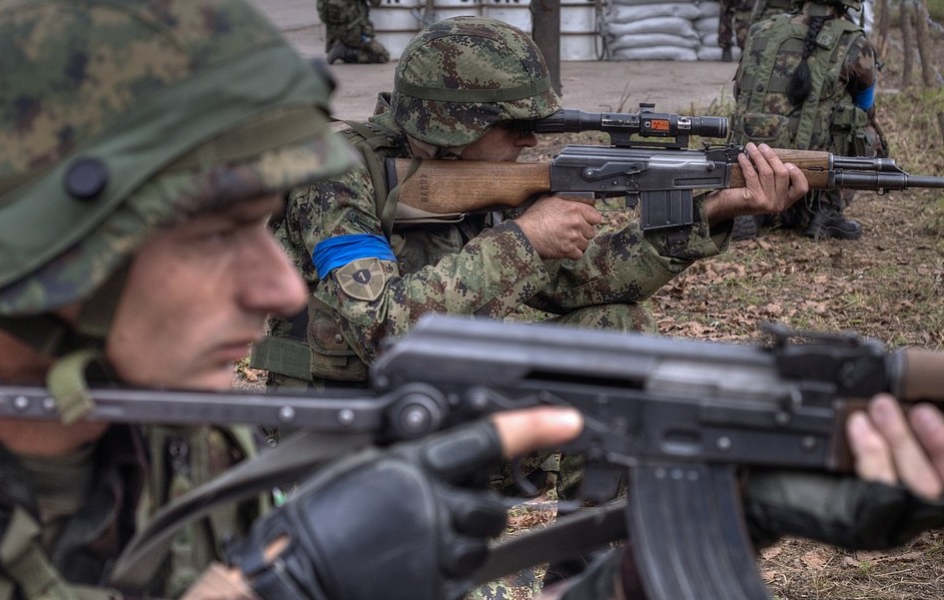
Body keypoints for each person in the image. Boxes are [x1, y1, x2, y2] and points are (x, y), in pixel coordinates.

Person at [0, 2, 944, 600]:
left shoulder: (186, 454)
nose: (273, 283)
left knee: (605, 331)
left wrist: (703, 525)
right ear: (40, 255)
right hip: (365, 375)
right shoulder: (344, 182)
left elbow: (581, 274)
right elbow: (370, 326)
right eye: (212, 231)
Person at [256, 15, 808, 394]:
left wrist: (710, 212)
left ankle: (587, 562)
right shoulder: (335, 175)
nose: (529, 141)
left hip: (444, 387)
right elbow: (382, 331)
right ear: (453, 124)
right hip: (344, 412)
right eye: (516, 125)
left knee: (616, 327)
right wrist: (523, 240)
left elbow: (574, 283)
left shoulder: (475, 170)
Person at [728, 0, 887, 241]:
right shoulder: (856, 44)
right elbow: (866, 108)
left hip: (756, 157)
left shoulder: (762, 30)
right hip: (812, 163)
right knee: (865, 128)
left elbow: (740, 92)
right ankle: (824, 211)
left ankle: (750, 208)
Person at [318, 0, 390, 64]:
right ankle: (345, 52)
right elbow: (376, 2)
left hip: (332, 35)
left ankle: (337, 47)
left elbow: (322, 15)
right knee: (383, 56)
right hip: (354, 33)